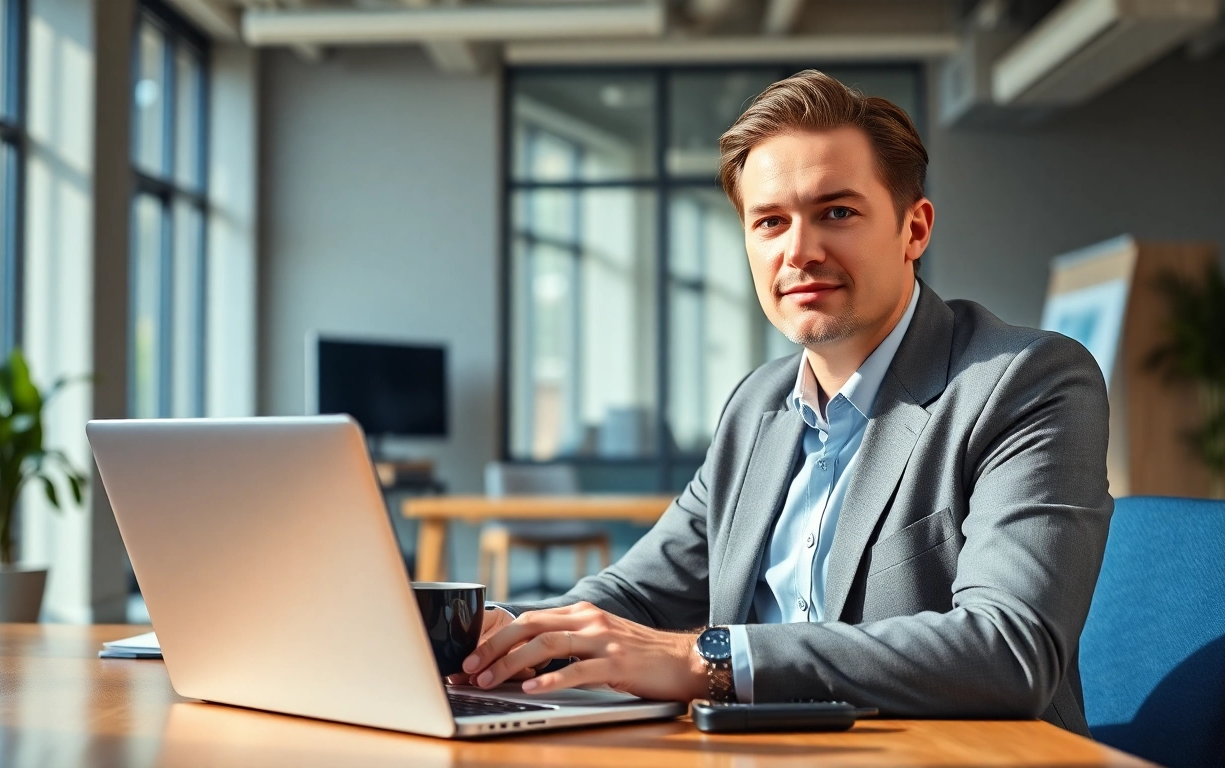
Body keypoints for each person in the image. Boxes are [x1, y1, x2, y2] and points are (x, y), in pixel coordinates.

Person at [455, 70, 1112, 735]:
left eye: (837, 212)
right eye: (770, 221)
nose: (799, 251)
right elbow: (636, 596)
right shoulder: (758, 407)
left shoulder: (1027, 382)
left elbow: (1009, 650)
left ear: (914, 230)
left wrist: (709, 658)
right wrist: (497, 640)